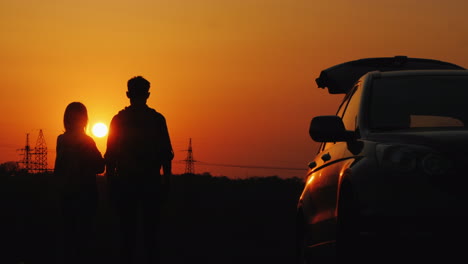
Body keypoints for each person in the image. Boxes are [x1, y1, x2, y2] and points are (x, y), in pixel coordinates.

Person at [105, 76, 174, 264]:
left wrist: (111, 183)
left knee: (127, 236)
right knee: (151, 236)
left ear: (128, 94)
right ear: (148, 95)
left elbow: (110, 156)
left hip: (126, 184)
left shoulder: (118, 120)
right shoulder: (157, 120)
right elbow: (166, 154)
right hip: (151, 184)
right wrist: (166, 181)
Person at [54, 102, 105, 264]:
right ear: (85, 120)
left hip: (67, 193)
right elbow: (100, 167)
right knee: (85, 236)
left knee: (69, 236)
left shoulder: (61, 140)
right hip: (86, 194)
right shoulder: (87, 141)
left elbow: (58, 169)